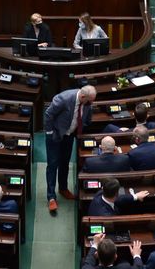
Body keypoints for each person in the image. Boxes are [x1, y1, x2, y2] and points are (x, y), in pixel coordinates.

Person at [42, 84, 97, 213]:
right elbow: (49, 114)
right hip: (55, 135)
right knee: (53, 164)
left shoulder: (87, 103)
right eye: (90, 101)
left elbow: (86, 118)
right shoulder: (64, 98)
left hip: (70, 136)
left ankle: (63, 188)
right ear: (83, 96)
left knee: (64, 163)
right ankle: (51, 197)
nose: (91, 103)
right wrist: (49, 132)